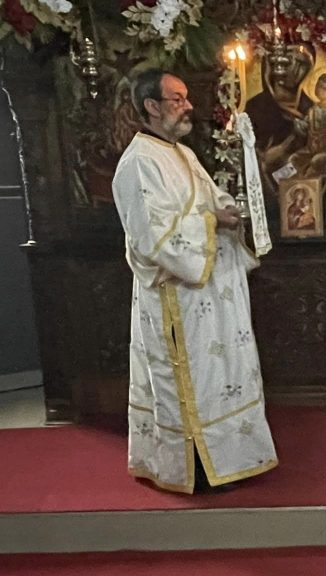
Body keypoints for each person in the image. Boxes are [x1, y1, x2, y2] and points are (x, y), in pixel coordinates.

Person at [111, 69, 278, 494]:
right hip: (176, 298)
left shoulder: (182, 154)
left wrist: (230, 210)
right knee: (191, 382)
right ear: (151, 106)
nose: (188, 107)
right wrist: (211, 221)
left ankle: (230, 458)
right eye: (178, 99)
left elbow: (210, 200)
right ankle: (196, 466)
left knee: (222, 376)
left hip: (211, 295)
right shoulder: (138, 162)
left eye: (186, 98)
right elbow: (152, 236)